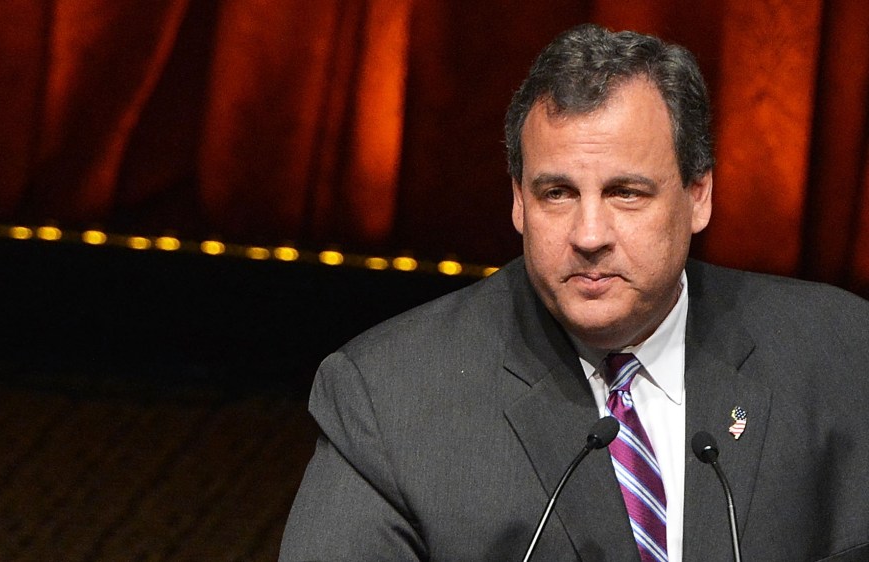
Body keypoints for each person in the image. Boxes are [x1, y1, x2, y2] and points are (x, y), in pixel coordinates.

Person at [279, 23, 869, 561]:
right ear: (517, 200)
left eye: (626, 193)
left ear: (698, 196)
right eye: (557, 193)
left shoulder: (841, 352)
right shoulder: (389, 398)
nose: (589, 235)